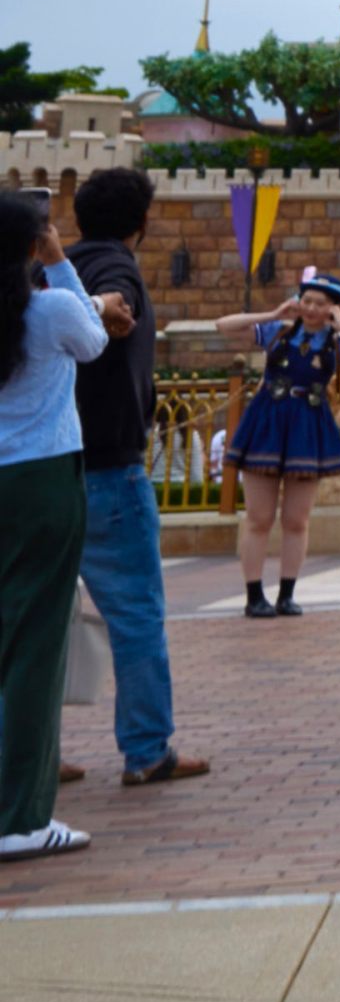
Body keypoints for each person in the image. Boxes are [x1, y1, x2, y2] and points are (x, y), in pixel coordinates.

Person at [67, 170, 202, 787]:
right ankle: (147, 750)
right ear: (141, 223)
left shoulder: (50, 271)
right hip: (109, 473)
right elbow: (116, 298)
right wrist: (117, 310)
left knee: (32, 623)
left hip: (41, 472)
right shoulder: (117, 270)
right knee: (137, 616)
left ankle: (28, 755)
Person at [4, 191, 113, 860]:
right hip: (43, 479)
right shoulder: (47, 308)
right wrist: (59, 259)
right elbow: (94, 342)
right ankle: (20, 816)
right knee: (34, 648)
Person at [225, 275, 340, 616]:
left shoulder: (335, 343)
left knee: (297, 519)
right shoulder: (279, 332)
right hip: (268, 422)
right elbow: (223, 325)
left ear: (332, 308)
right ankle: (254, 596)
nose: (312, 308)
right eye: (307, 300)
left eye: (321, 303)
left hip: (307, 426)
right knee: (258, 517)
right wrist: (271, 315)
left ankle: (287, 593)